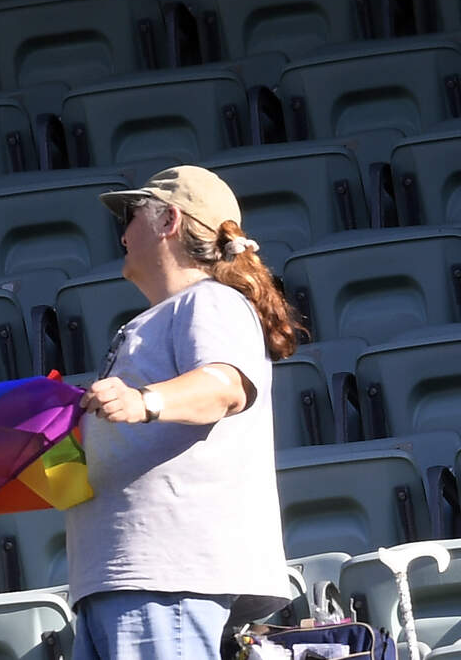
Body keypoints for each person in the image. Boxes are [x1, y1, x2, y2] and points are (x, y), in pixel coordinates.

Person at [68, 165, 300, 659]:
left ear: (169, 220)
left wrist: (145, 400)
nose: (124, 233)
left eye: (131, 217)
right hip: (129, 577)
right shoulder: (173, 311)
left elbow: (225, 385)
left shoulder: (210, 301)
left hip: (164, 572)